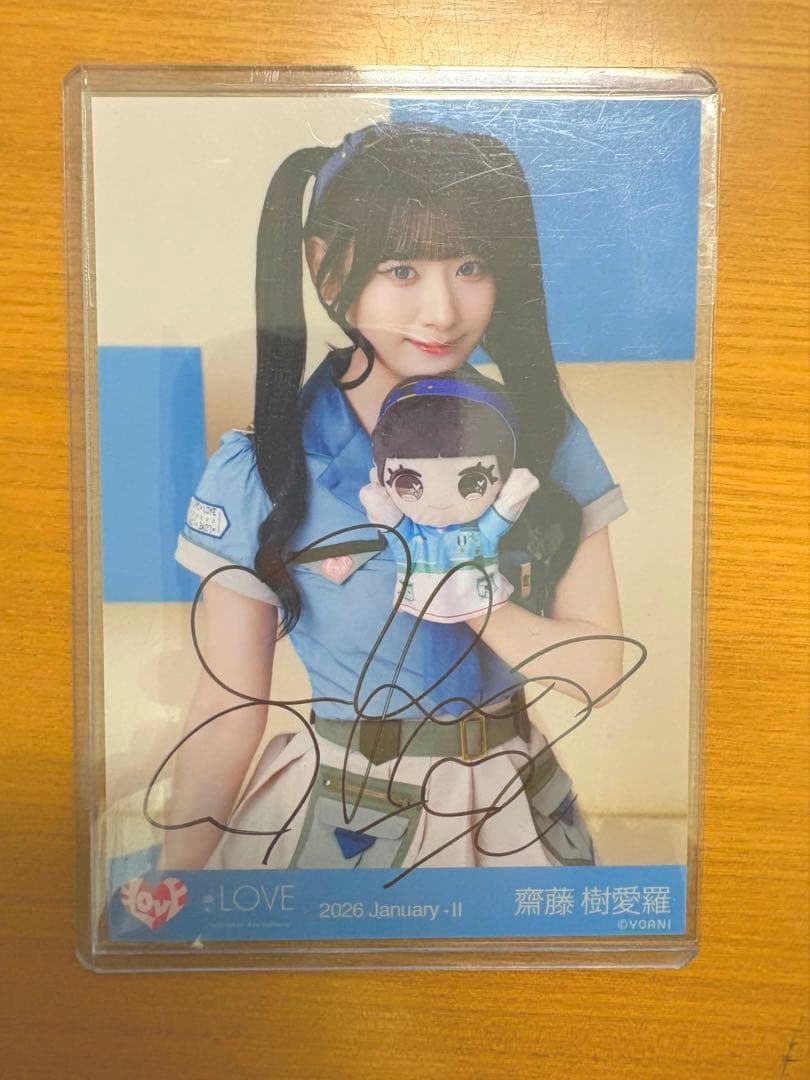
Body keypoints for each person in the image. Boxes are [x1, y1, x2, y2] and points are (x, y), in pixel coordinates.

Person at [163, 120, 627, 873]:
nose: (442, 311)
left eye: (471, 265)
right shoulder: (263, 468)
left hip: (516, 814)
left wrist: (472, 598)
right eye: (402, 269)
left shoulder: (545, 438)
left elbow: (599, 670)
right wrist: (173, 886)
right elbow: (228, 708)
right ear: (326, 269)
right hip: (344, 810)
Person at [359, 368, 541, 623]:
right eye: (408, 483)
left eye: (473, 482)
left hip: (475, 604)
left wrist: (513, 494)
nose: (440, 499)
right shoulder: (426, 534)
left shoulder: (422, 537)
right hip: (433, 605)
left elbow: (395, 529)